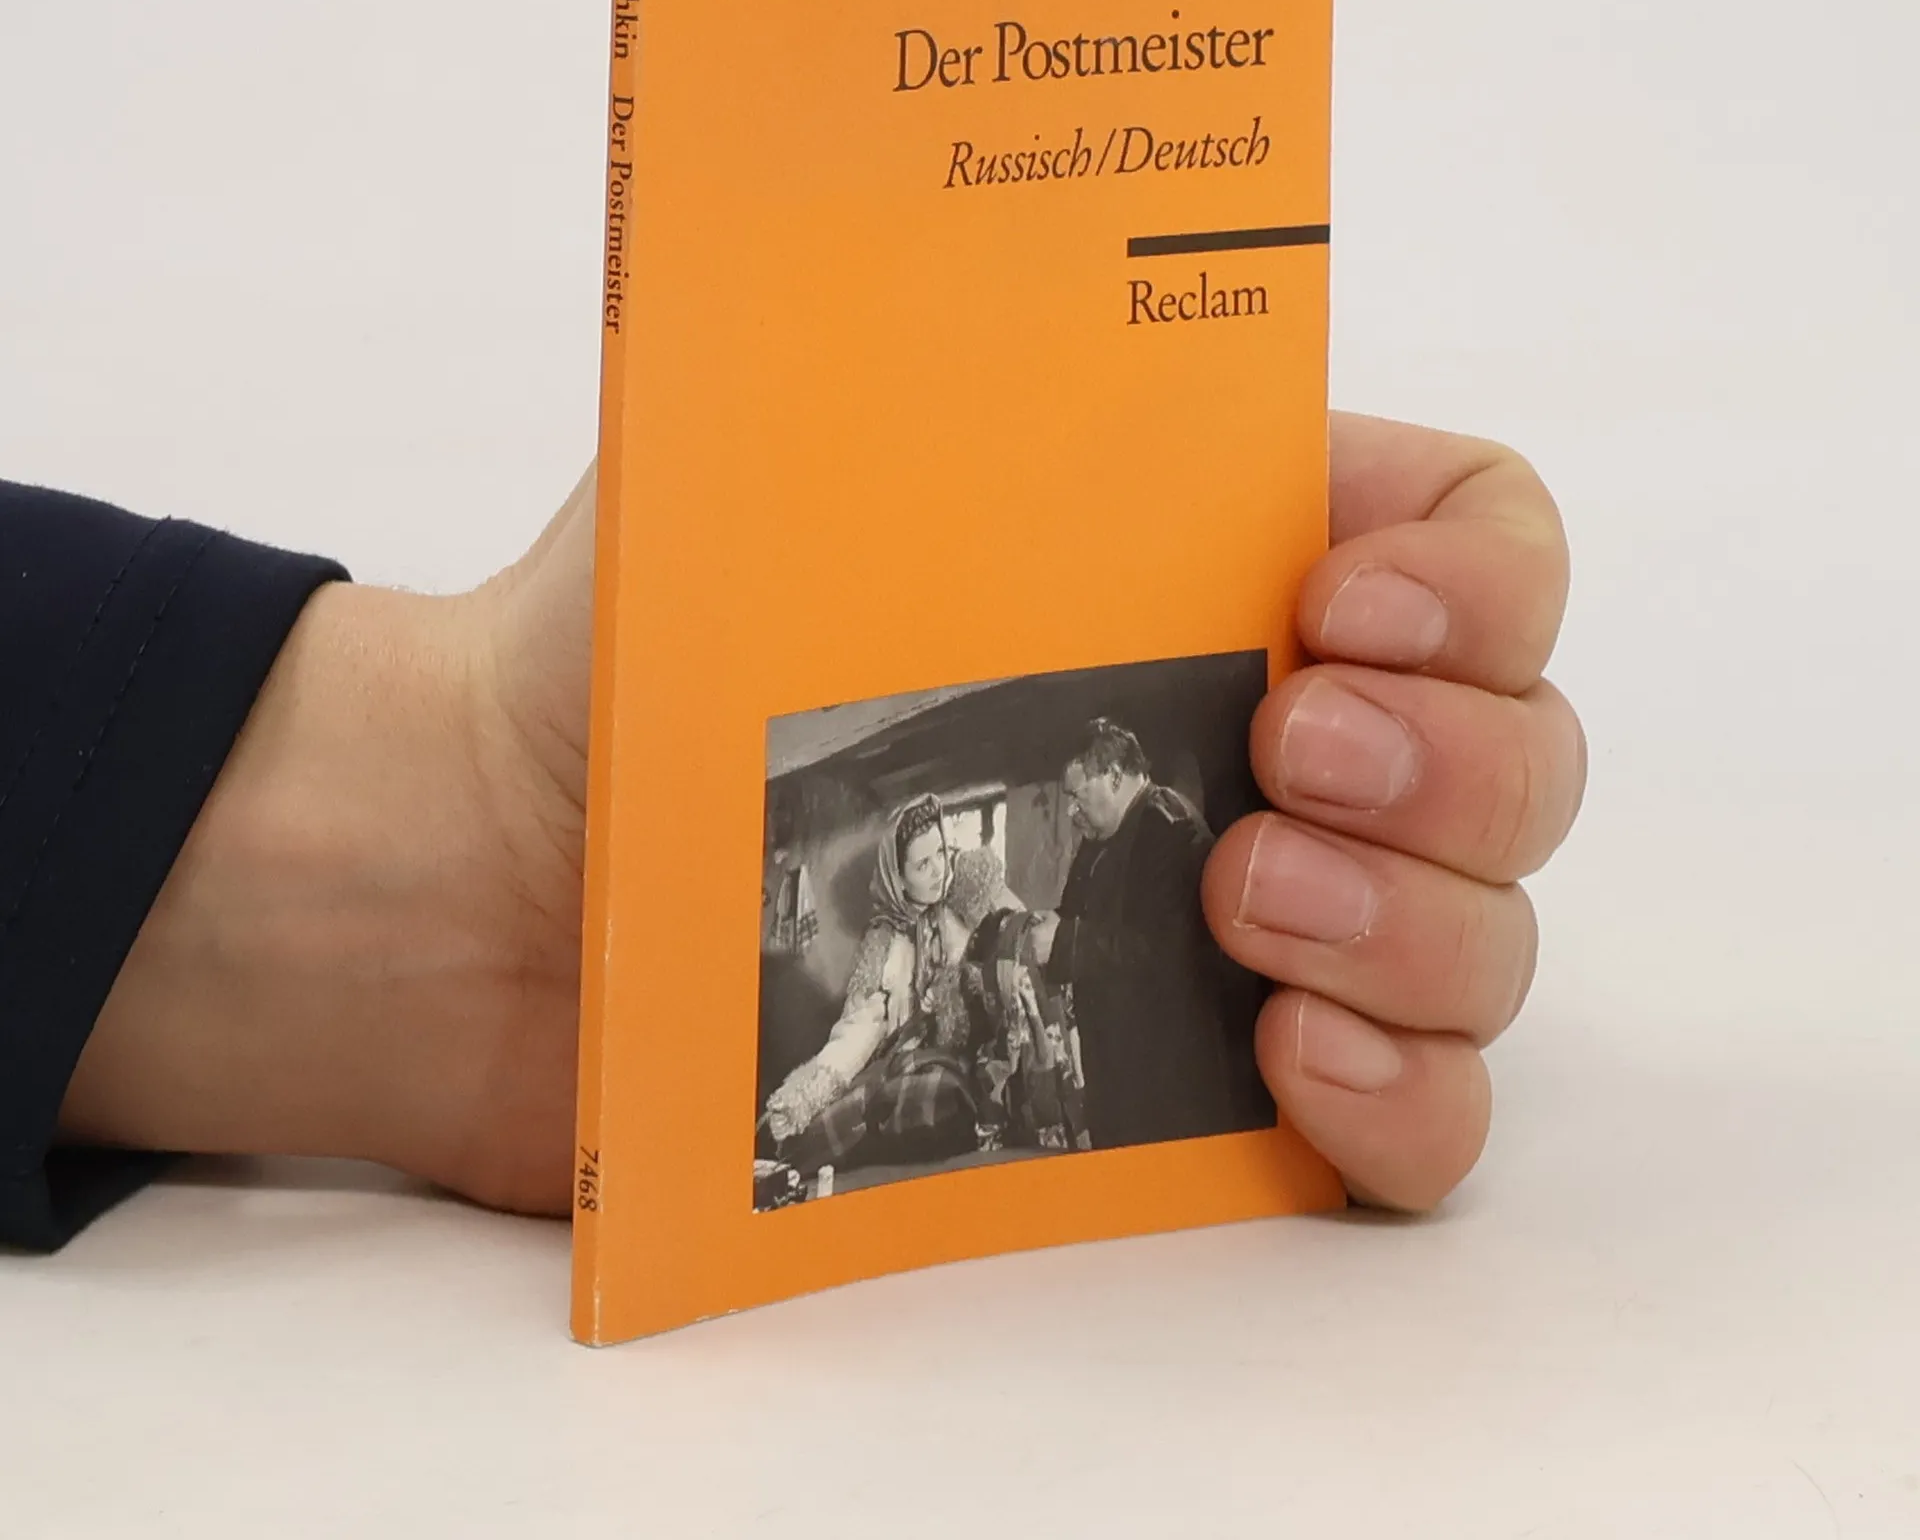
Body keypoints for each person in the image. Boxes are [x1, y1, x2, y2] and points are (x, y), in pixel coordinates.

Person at [0, 413, 1583, 1249]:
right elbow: (872, 1025)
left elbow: (1022, 952)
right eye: (923, 853)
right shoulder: (914, 933)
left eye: (944, 848)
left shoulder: (1025, 884)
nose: (942, 858)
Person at [757, 794, 1081, 1197]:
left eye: (941, 853)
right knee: (877, 1105)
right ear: (899, 877)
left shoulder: (973, 894)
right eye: (922, 864)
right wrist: (804, 1095)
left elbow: (1023, 943)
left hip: (990, 1046)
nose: (937, 870)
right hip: (925, 1054)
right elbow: (859, 1030)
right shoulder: (887, 941)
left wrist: (978, 979)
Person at [1038, 719, 1272, 1150]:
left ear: (1113, 776)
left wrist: (1066, 941)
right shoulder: (1101, 837)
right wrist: (1046, 927)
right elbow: (1078, 914)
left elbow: (1169, 950)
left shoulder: (1170, 830)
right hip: (1120, 1068)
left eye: (1076, 795)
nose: (1071, 811)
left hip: (1168, 1077)